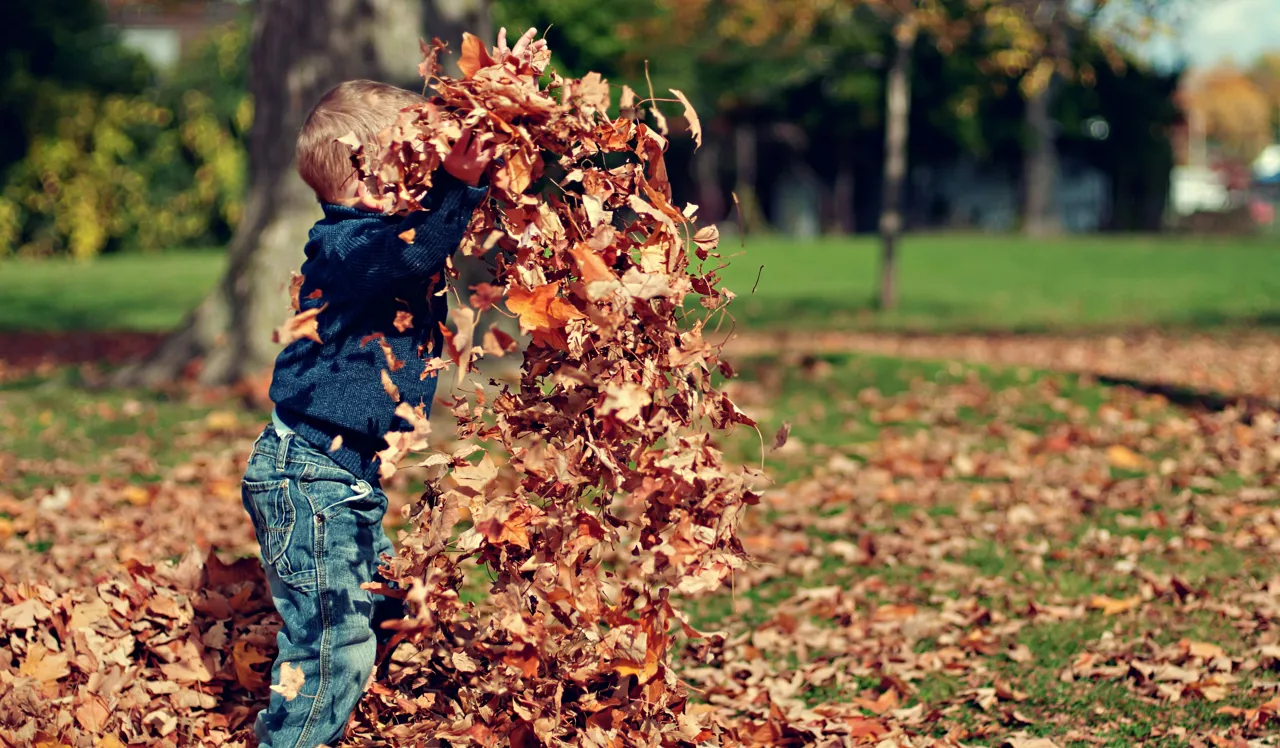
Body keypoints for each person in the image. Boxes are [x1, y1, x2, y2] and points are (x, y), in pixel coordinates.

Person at [240, 28, 544, 748]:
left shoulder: (380, 240)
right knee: (330, 648)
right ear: (372, 176)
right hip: (309, 481)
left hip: (341, 480)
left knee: (377, 608)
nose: (425, 185)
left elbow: (427, 243)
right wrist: (459, 189)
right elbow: (411, 256)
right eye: (413, 169)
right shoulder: (345, 247)